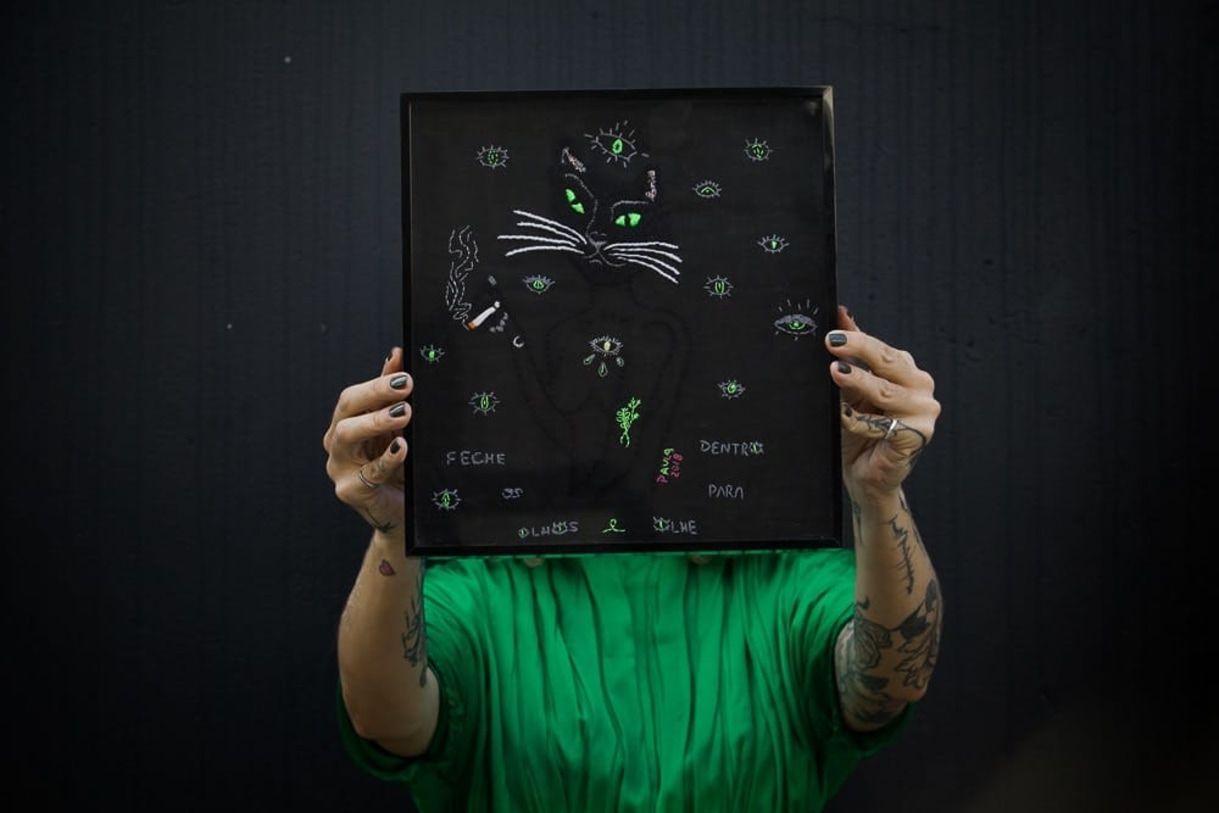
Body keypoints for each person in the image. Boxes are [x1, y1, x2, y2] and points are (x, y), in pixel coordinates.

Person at [325, 305, 943, 811]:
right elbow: (387, 720)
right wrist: (393, 530)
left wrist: (878, 492)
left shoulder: (784, 575)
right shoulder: (480, 588)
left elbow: (887, 686)